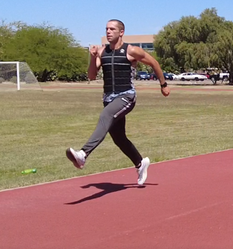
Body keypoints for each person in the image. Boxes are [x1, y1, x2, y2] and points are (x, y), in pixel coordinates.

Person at [66, 19, 170, 185]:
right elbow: (92, 76)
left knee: (105, 116)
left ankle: (83, 154)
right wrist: (92, 58)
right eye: (106, 29)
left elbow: (154, 63)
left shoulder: (132, 50)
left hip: (126, 96)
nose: (108, 32)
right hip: (108, 98)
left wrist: (163, 84)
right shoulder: (102, 52)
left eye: (112, 29)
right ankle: (140, 163)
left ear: (121, 32)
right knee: (119, 138)